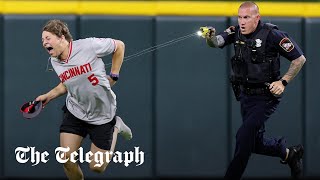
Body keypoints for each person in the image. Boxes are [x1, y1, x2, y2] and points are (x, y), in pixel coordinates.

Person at [200, 1, 306, 179]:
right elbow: (217, 42)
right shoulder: (236, 31)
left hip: (266, 97)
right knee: (253, 143)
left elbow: (299, 59)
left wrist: (283, 82)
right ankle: (289, 154)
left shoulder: (272, 35)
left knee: (243, 138)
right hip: (245, 96)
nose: (242, 21)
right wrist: (209, 37)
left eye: (246, 17)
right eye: (240, 17)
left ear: (257, 18)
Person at [36, 19, 132, 180]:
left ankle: (116, 125)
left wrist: (114, 75)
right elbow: (68, 83)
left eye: (48, 38)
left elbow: (119, 46)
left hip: (102, 114)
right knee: (66, 159)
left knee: (97, 167)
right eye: (42, 40)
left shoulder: (89, 45)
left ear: (61, 37)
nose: (44, 42)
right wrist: (48, 96)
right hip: (76, 110)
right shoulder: (54, 61)